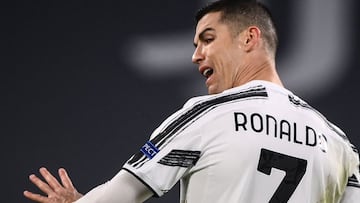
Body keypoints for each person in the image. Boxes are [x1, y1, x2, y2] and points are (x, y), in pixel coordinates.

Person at [24, 0, 360, 202]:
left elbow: (121, 195)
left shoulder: (206, 115)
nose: (196, 55)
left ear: (249, 37)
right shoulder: (339, 143)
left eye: (207, 39)